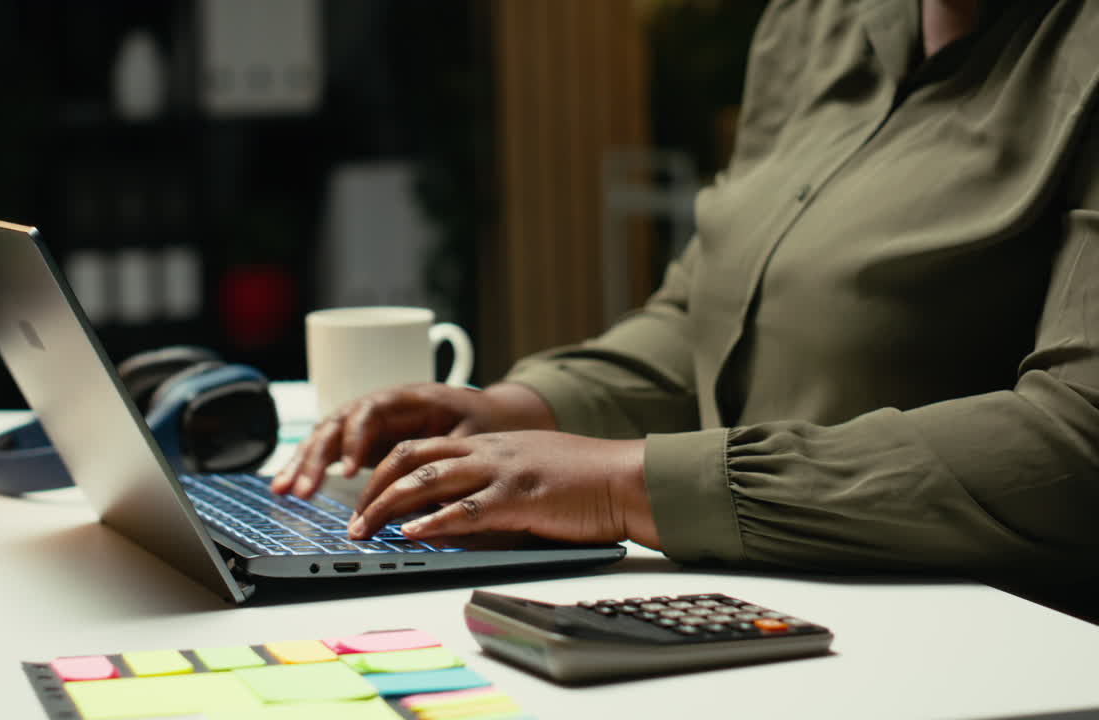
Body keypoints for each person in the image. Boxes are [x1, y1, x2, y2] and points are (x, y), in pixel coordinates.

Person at [273, 0, 1099, 620]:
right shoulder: (818, 21)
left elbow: (1076, 443)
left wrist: (624, 485)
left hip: (984, 640)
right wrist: (513, 410)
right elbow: (709, 313)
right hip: (764, 604)